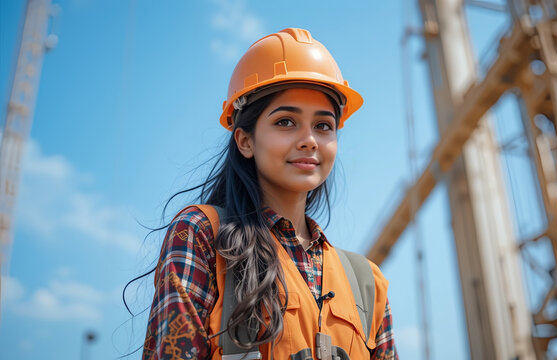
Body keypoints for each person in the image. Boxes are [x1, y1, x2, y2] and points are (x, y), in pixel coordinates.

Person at [142, 28, 398, 360]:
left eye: (323, 126)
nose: (309, 140)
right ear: (245, 140)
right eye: (286, 122)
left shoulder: (369, 283)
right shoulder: (202, 236)